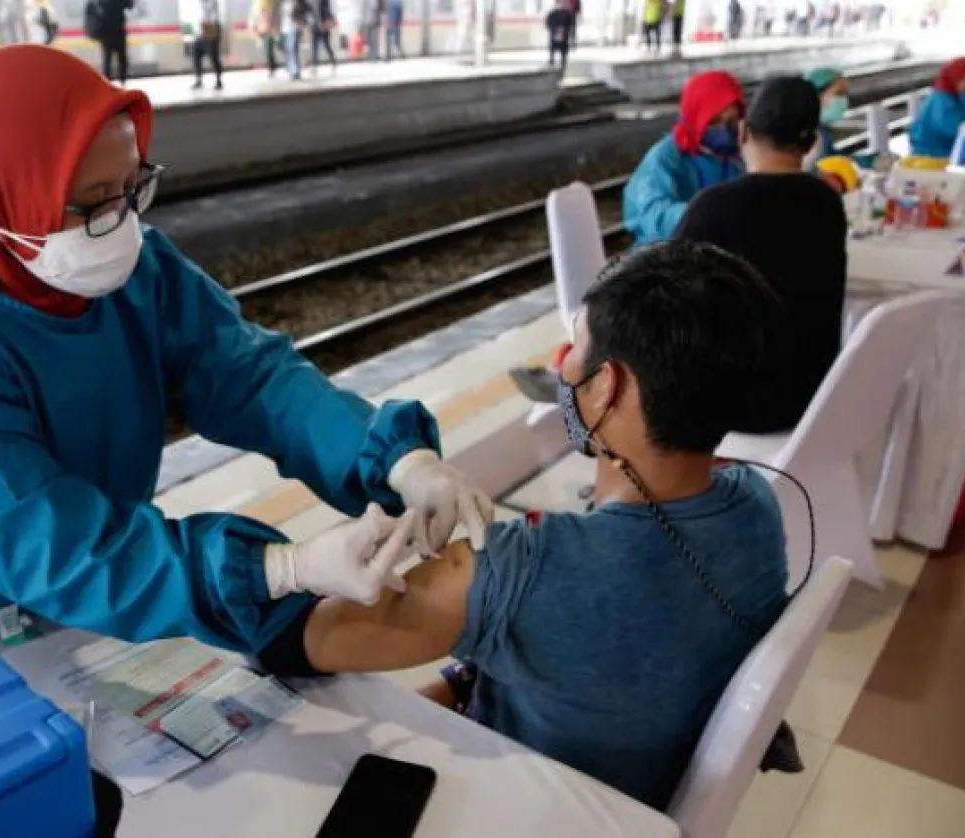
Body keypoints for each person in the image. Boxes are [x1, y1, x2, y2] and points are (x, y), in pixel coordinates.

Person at [0, 46, 494, 677]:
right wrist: (276, 569)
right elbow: (48, 543)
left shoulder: (128, 267)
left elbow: (248, 376)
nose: (124, 221)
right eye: (94, 202)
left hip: (79, 598)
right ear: (3, 194)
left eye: (133, 187)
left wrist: (395, 460)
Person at [297, 240, 790, 810]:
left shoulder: (522, 567)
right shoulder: (757, 505)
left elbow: (315, 640)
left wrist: (297, 565)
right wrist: (461, 681)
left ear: (609, 386)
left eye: (577, 347)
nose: (564, 367)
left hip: (530, 809)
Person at [675, 76, 846, 433]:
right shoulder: (828, 203)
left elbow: (661, 299)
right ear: (812, 142)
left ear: (743, 133)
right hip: (816, 398)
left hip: (732, 406)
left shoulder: (713, 208)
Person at [623, 70, 745, 246]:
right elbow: (651, 215)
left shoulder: (741, 151)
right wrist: (705, 215)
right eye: (713, 122)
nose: (725, 130)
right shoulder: (665, 158)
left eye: (732, 120)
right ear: (696, 119)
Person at [88, 0, 134, 84]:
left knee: (108, 60)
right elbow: (130, 5)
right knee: (121, 59)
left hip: (107, 33)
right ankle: (122, 82)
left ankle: (108, 83)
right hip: (118, 32)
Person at [181, 0, 224, 89]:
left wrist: (213, 33)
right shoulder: (199, 5)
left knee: (213, 57)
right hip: (200, 33)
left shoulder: (212, 2)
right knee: (196, 56)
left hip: (211, 30)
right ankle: (198, 80)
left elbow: (213, 17)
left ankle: (218, 80)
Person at [250, 0, 282, 74]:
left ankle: (272, 67)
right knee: (268, 50)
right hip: (265, 31)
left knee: (270, 49)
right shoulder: (259, 4)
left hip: (270, 30)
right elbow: (254, 16)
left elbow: (276, 16)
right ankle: (272, 67)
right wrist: (255, 27)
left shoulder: (271, 3)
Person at [282, 0, 311, 79]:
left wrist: (303, 21)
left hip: (295, 28)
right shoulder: (284, 2)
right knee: (288, 50)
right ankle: (292, 70)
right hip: (285, 29)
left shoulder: (298, 2)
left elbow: (308, 9)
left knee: (293, 49)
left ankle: (295, 71)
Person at [311, 0, 338, 72]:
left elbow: (328, 10)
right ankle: (314, 66)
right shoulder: (312, 2)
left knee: (327, 45)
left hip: (324, 25)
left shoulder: (325, 1)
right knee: (314, 47)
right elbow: (311, 11)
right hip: (315, 26)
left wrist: (327, 22)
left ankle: (333, 62)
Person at [546, 0, 574, 70]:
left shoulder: (567, 14)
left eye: (561, 4)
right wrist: (554, 29)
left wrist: (566, 31)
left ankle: (563, 65)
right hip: (554, 34)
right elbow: (548, 23)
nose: (559, 5)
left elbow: (570, 24)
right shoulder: (552, 13)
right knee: (552, 50)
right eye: (558, 4)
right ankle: (551, 62)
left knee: (563, 51)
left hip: (564, 34)